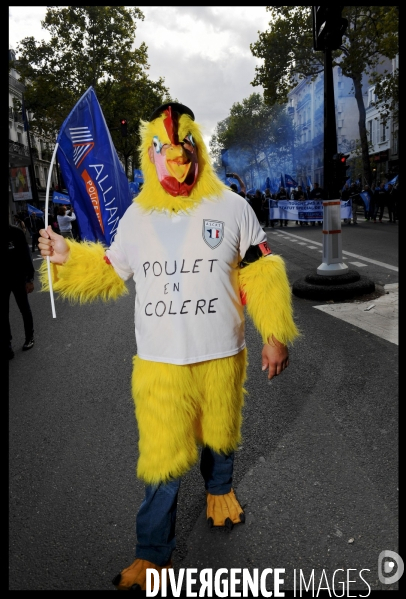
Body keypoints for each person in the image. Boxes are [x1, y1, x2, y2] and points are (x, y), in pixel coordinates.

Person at [38, 102, 299, 592]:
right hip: (160, 364)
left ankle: (220, 490)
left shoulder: (232, 207)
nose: (175, 157)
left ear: (197, 147)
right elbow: (111, 271)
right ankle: (152, 554)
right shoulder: (137, 217)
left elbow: (261, 270)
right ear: (148, 154)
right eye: (162, 147)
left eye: (183, 146)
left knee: (219, 431)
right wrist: (66, 254)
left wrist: (275, 334)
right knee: (162, 458)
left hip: (222, 351)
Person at [8, 224, 35, 359]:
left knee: (24, 308)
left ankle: (29, 337)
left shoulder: (16, 232)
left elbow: (26, 256)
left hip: (18, 278)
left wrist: (29, 278)